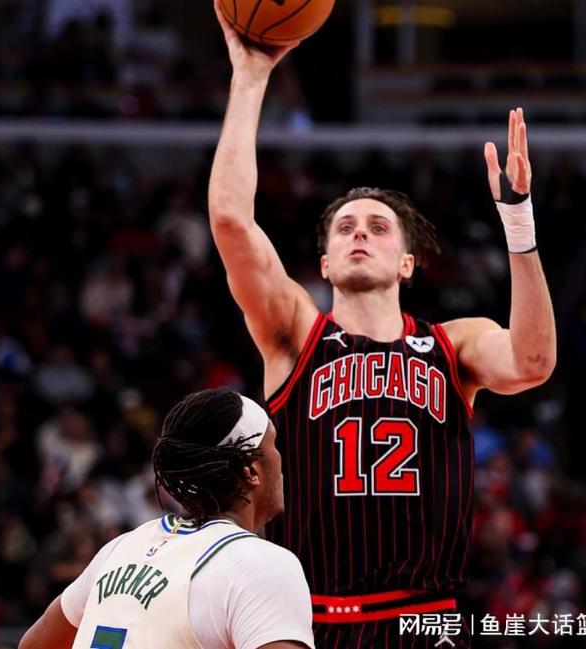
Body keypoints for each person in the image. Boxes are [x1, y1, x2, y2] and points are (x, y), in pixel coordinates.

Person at [208, 3, 556, 647]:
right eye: (345, 228)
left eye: (377, 227)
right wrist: (251, 77)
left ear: (406, 262)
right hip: (306, 618)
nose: (359, 234)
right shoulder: (295, 334)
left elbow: (533, 362)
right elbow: (231, 221)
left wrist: (519, 224)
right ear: (325, 263)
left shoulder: (455, 343)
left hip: (424, 620)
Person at [18, 388, 315, 649]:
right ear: (251, 471)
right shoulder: (261, 564)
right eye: (274, 445)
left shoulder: (119, 549)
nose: (281, 458)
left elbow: (33, 644)